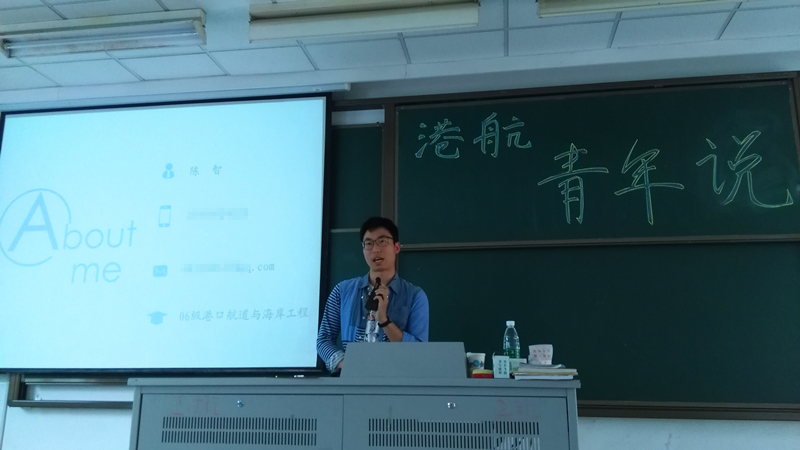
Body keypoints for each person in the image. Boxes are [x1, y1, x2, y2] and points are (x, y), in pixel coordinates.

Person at [316, 217, 429, 373]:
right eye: (368, 243)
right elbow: (323, 340)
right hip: (352, 381)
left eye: (382, 241)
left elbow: (419, 352)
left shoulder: (415, 296)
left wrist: (384, 320)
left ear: (396, 247)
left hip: (397, 380)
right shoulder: (342, 291)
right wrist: (348, 364)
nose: (375, 249)